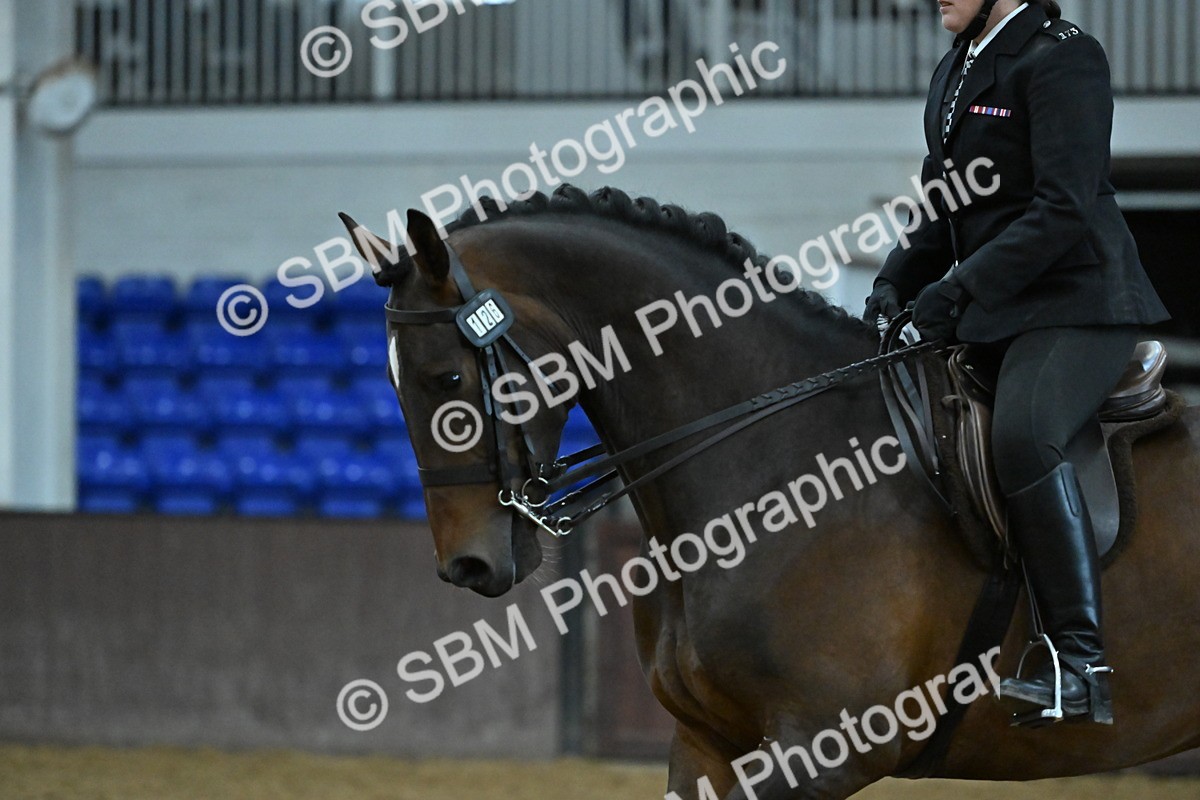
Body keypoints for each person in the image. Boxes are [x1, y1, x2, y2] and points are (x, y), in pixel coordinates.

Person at [864, 0, 1169, 726]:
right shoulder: (958, 66)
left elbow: (1062, 209)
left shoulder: (1064, 57)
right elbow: (944, 203)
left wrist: (953, 292)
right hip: (997, 310)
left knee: (1022, 435)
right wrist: (893, 283)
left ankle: (1079, 662)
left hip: (1079, 302)